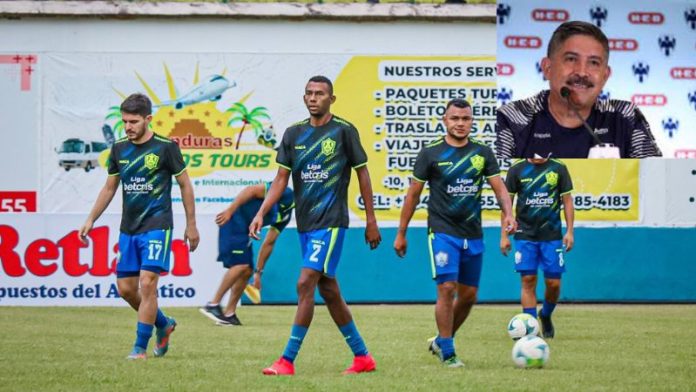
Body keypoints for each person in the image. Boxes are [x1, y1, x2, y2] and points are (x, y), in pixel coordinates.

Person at [250, 75, 381, 376]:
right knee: (329, 289)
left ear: (331, 99)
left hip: (332, 222)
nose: (313, 98)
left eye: (320, 94)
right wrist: (261, 213)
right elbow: (280, 180)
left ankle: (286, 360)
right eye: (309, 93)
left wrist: (371, 220)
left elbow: (363, 174)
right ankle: (362, 357)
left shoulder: (344, 131)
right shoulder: (293, 134)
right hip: (306, 225)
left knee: (305, 282)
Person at [393, 98, 516, 367]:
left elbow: (500, 189)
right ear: (445, 121)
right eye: (455, 119)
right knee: (447, 288)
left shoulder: (483, 153)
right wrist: (401, 232)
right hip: (442, 232)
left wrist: (508, 213)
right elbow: (412, 195)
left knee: (469, 295)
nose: (460, 124)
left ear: (472, 121)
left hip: (473, 234)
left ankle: (441, 339)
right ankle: (448, 352)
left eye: (466, 119)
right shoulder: (431, 153)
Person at [78, 93, 200, 360]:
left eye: (133, 121)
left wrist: (191, 225)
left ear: (148, 119)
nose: (128, 127)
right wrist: (90, 219)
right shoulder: (119, 149)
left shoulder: (166, 147)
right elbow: (110, 187)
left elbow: (185, 185)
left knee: (147, 284)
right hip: (128, 229)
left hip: (157, 226)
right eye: (124, 121)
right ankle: (163, 324)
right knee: (126, 289)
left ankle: (139, 348)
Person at [496, 20, 661, 158]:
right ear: (547, 68)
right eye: (571, 59)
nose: (582, 72)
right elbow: (492, 188)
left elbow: (656, 184)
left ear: (605, 76)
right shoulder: (511, 119)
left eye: (594, 63)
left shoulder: (625, 117)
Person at [199, 182, 294, 326]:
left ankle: (229, 314)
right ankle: (213, 304)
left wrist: (258, 273)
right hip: (233, 222)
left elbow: (269, 243)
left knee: (247, 270)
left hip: (244, 231)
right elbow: (251, 190)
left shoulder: (285, 216)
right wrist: (230, 210)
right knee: (241, 265)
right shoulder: (284, 192)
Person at [500, 157, 574, 338]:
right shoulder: (517, 169)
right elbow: (506, 204)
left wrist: (570, 231)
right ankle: (531, 329)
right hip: (525, 234)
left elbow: (567, 201)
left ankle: (546, 314)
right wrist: (504, 235)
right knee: (528, 280)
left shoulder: (558, 168)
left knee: (553, 284)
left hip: (552, 235)